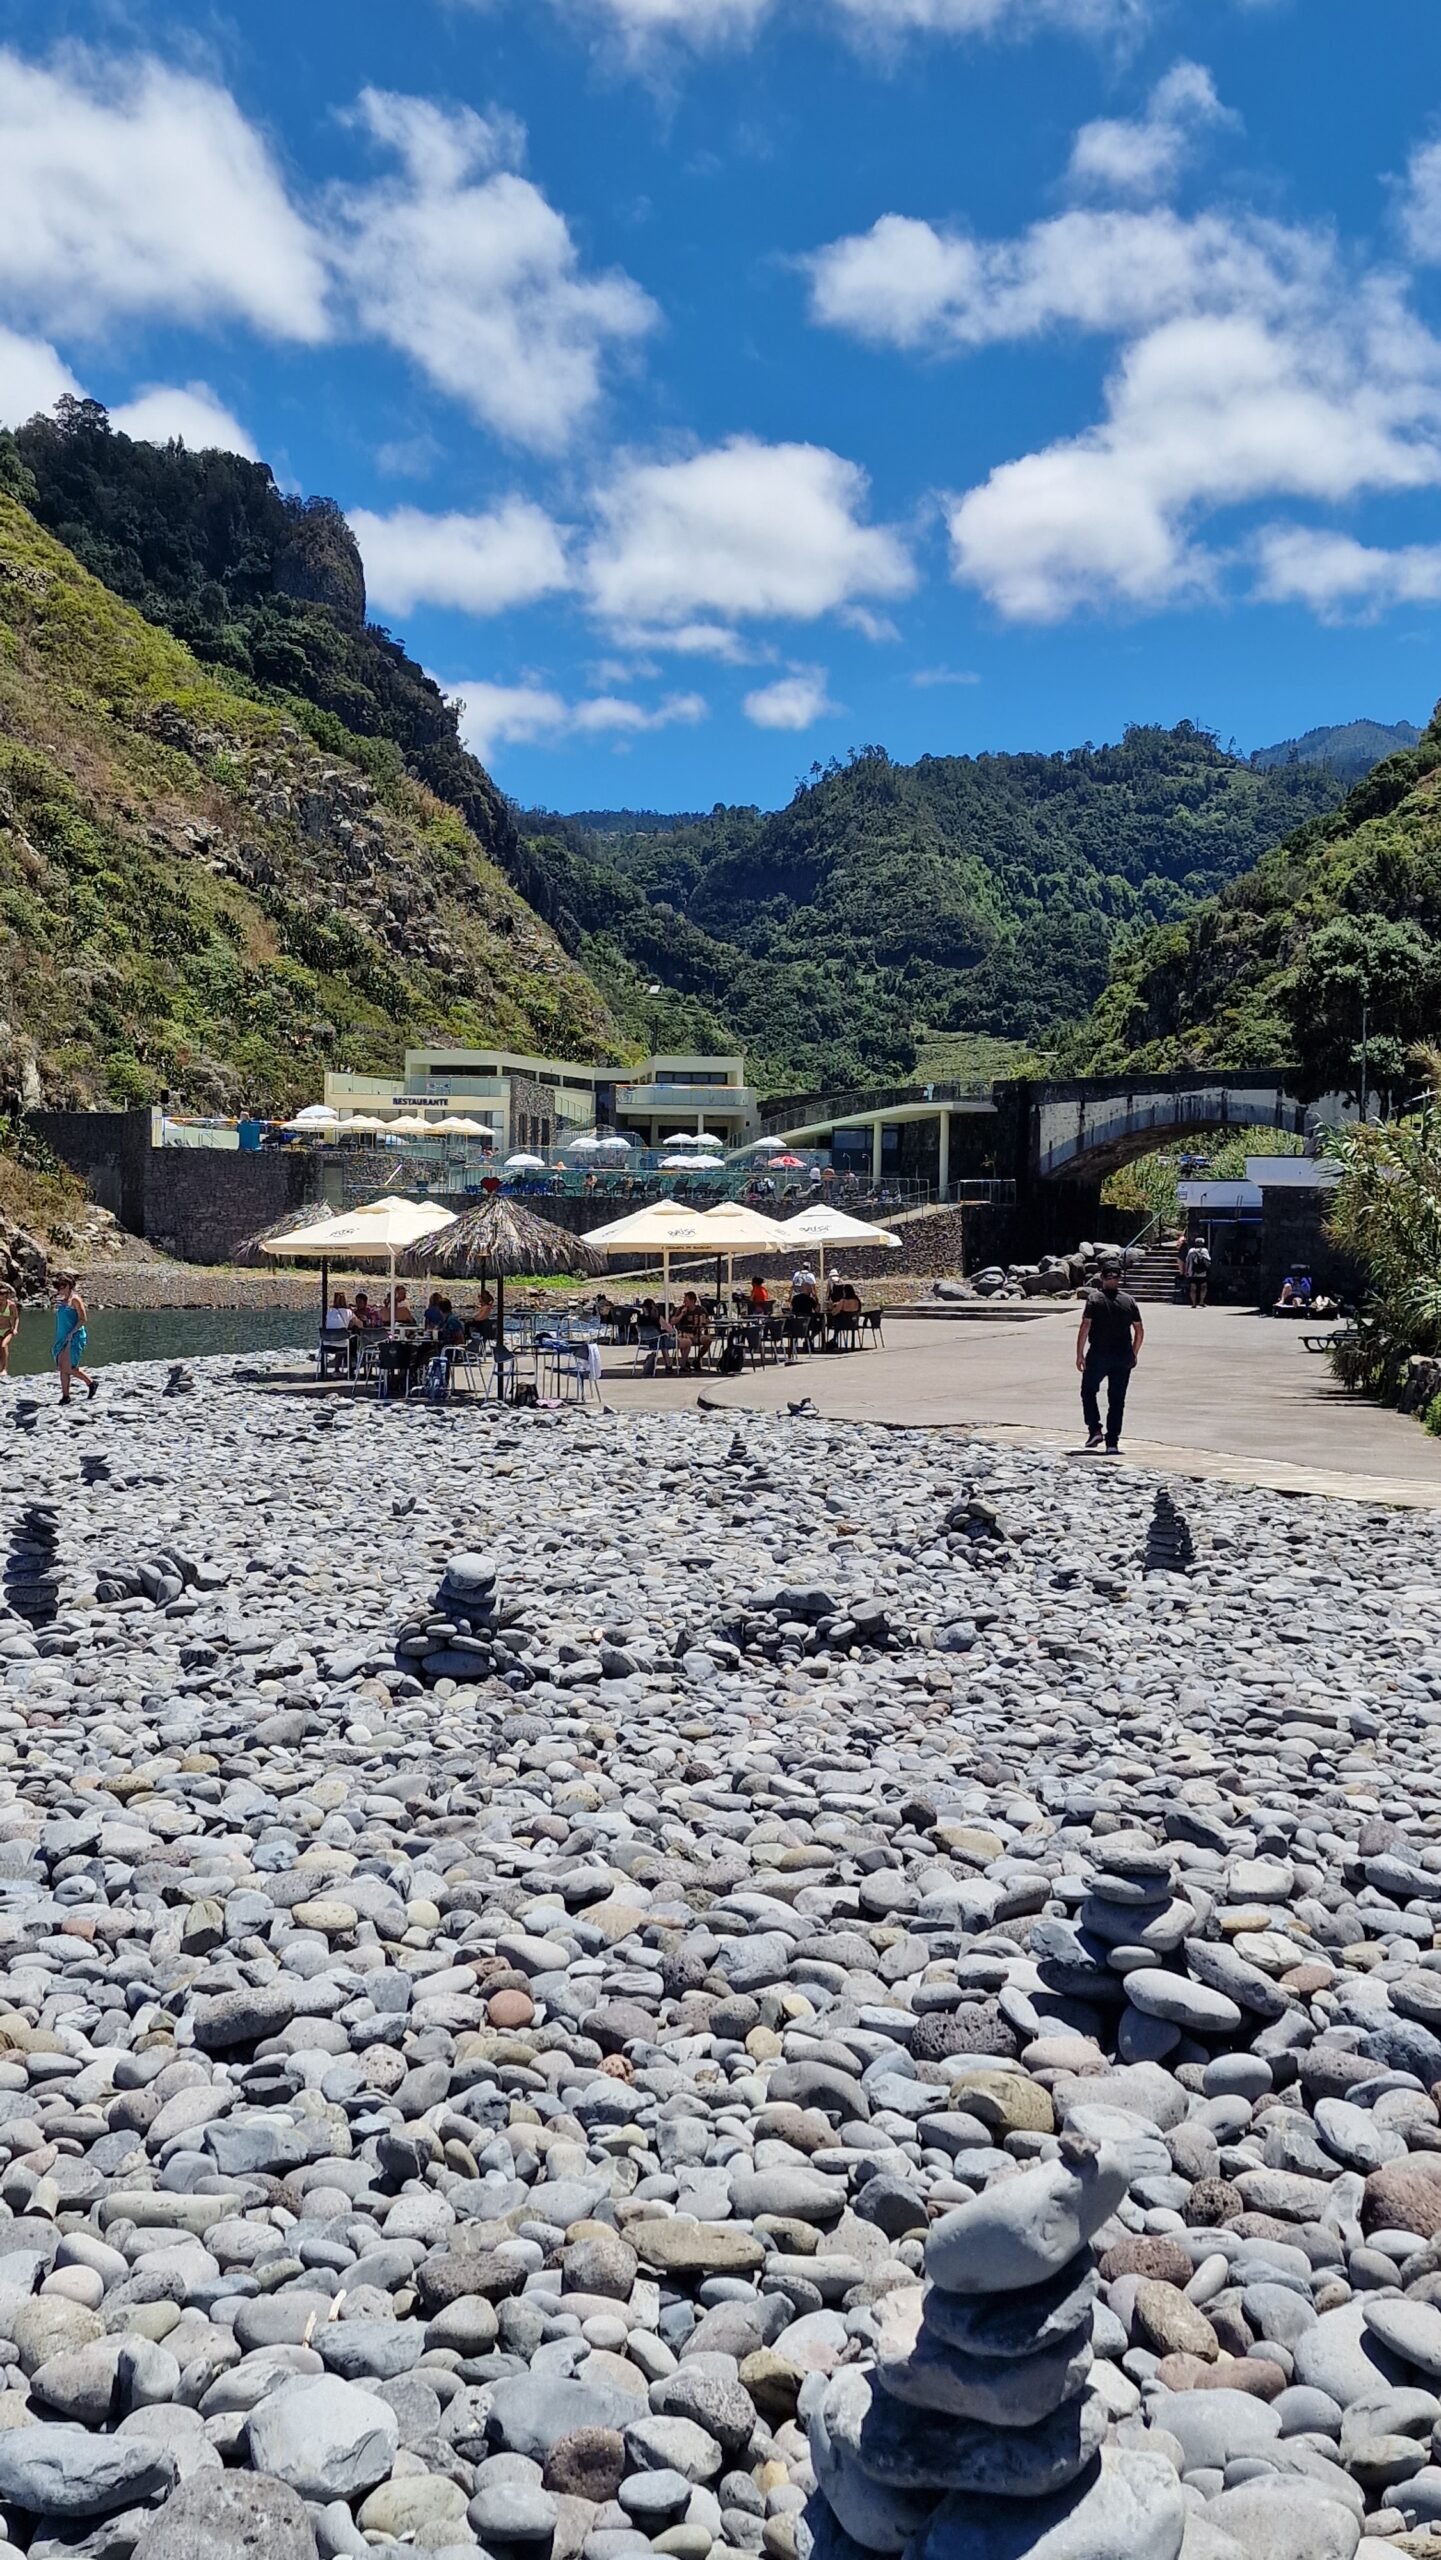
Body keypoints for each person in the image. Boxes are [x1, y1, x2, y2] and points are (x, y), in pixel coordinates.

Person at [1075, 1258, 1143, 1455]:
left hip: (1099, 1354)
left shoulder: (1095, 1299)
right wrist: (1134, 1352)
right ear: (1119, 1278)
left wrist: (1079, 1354)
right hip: (1123, 1355)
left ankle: (1095, 1429)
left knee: (1088, 1391)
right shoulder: (1128, 1300)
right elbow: (1139, 1330)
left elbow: (1085, 1326)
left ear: (1102, 1277)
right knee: (1117, 1399)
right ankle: (1112, 1442)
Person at [52, 1276, 97, 1404]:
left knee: (69, 1367)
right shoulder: (63, 1301)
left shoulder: (75, 1300)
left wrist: (72, 1333)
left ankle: (91, 1383)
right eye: (59, 1287)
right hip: (62, 1336)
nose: (61, 1290)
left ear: (70, 1286)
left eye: (63, 1286)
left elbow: (83, 1319)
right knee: (62, 1367)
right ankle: (65, 1396)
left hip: (74, 1336)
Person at [1184, 1237, 1212, 1308]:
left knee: (1193, 1288)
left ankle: (1193, 1303)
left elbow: (1187, 1261)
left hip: (1192, 1273)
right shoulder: (1204, 1250)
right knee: (1203, 1287)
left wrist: (1186, 1271)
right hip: (1202, 1273)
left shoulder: (1191, 1251)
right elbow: (1208, 1260)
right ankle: (1201, 1301)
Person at [0, 1282, 19, 1377]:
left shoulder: (11, 1305)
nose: (1, 1299)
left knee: (4, 1345)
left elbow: (16, 1317)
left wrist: (15, 1329)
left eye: (3, 1297)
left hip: (8, 1329)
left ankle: (4, 1369)